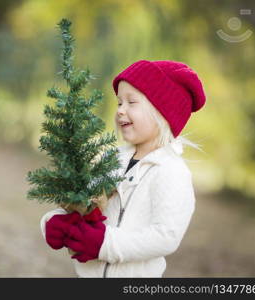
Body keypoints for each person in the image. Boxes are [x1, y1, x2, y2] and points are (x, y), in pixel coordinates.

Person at [40, 60, 206, 277]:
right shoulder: (113, 158)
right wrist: (55, 220)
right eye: (119, 103)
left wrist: (105, 243)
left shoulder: (171, 171)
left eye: (131, 102)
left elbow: (166, 236)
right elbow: (86, 201)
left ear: (162, 112)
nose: (120, 110)